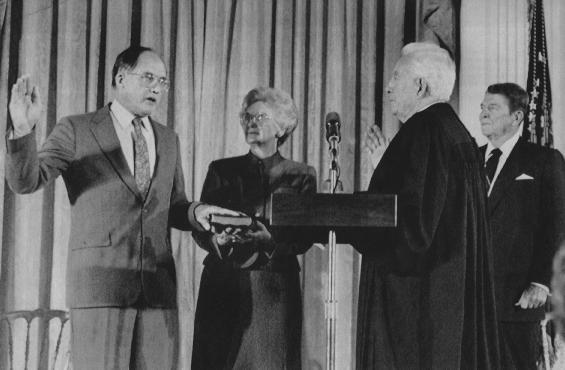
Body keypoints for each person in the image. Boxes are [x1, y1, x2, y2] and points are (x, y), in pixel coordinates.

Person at [5, 46, 238, 369]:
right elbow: (26, 182)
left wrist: (196, 213)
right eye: (148, 78)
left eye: (163, 81)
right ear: (120, 78)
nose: (157, 87)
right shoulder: (77, 129)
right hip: (100, 290)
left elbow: (175, 205)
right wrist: (22, 131)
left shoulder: (168, 139)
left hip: (158, 292)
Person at [357, 42, 501, 369]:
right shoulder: (453, 131)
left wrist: (356, 218)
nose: (389, 88)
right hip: (449, 299)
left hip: (418, 307)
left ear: (421, 86)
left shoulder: (421, 132)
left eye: (396, 78)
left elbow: (412, 232)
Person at [191, 86, 316, 370]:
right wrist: (217, 241)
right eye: (247, 117)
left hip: (273, 290)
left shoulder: (301, 175)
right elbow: (200, 228)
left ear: (282, 125)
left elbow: (304, 236)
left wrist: (271, 241)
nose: (251, 123)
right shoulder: (221, 170)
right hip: (222, 285)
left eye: (260, 117)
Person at [478, 82, 565, 369]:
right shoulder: (467, 160)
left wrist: (541, 281)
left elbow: (558, 224)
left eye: (492, 107)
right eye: (482, 107)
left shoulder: (543, 161)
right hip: (473, 301)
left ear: (516, 117)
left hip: (519, 301)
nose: (483, 113)